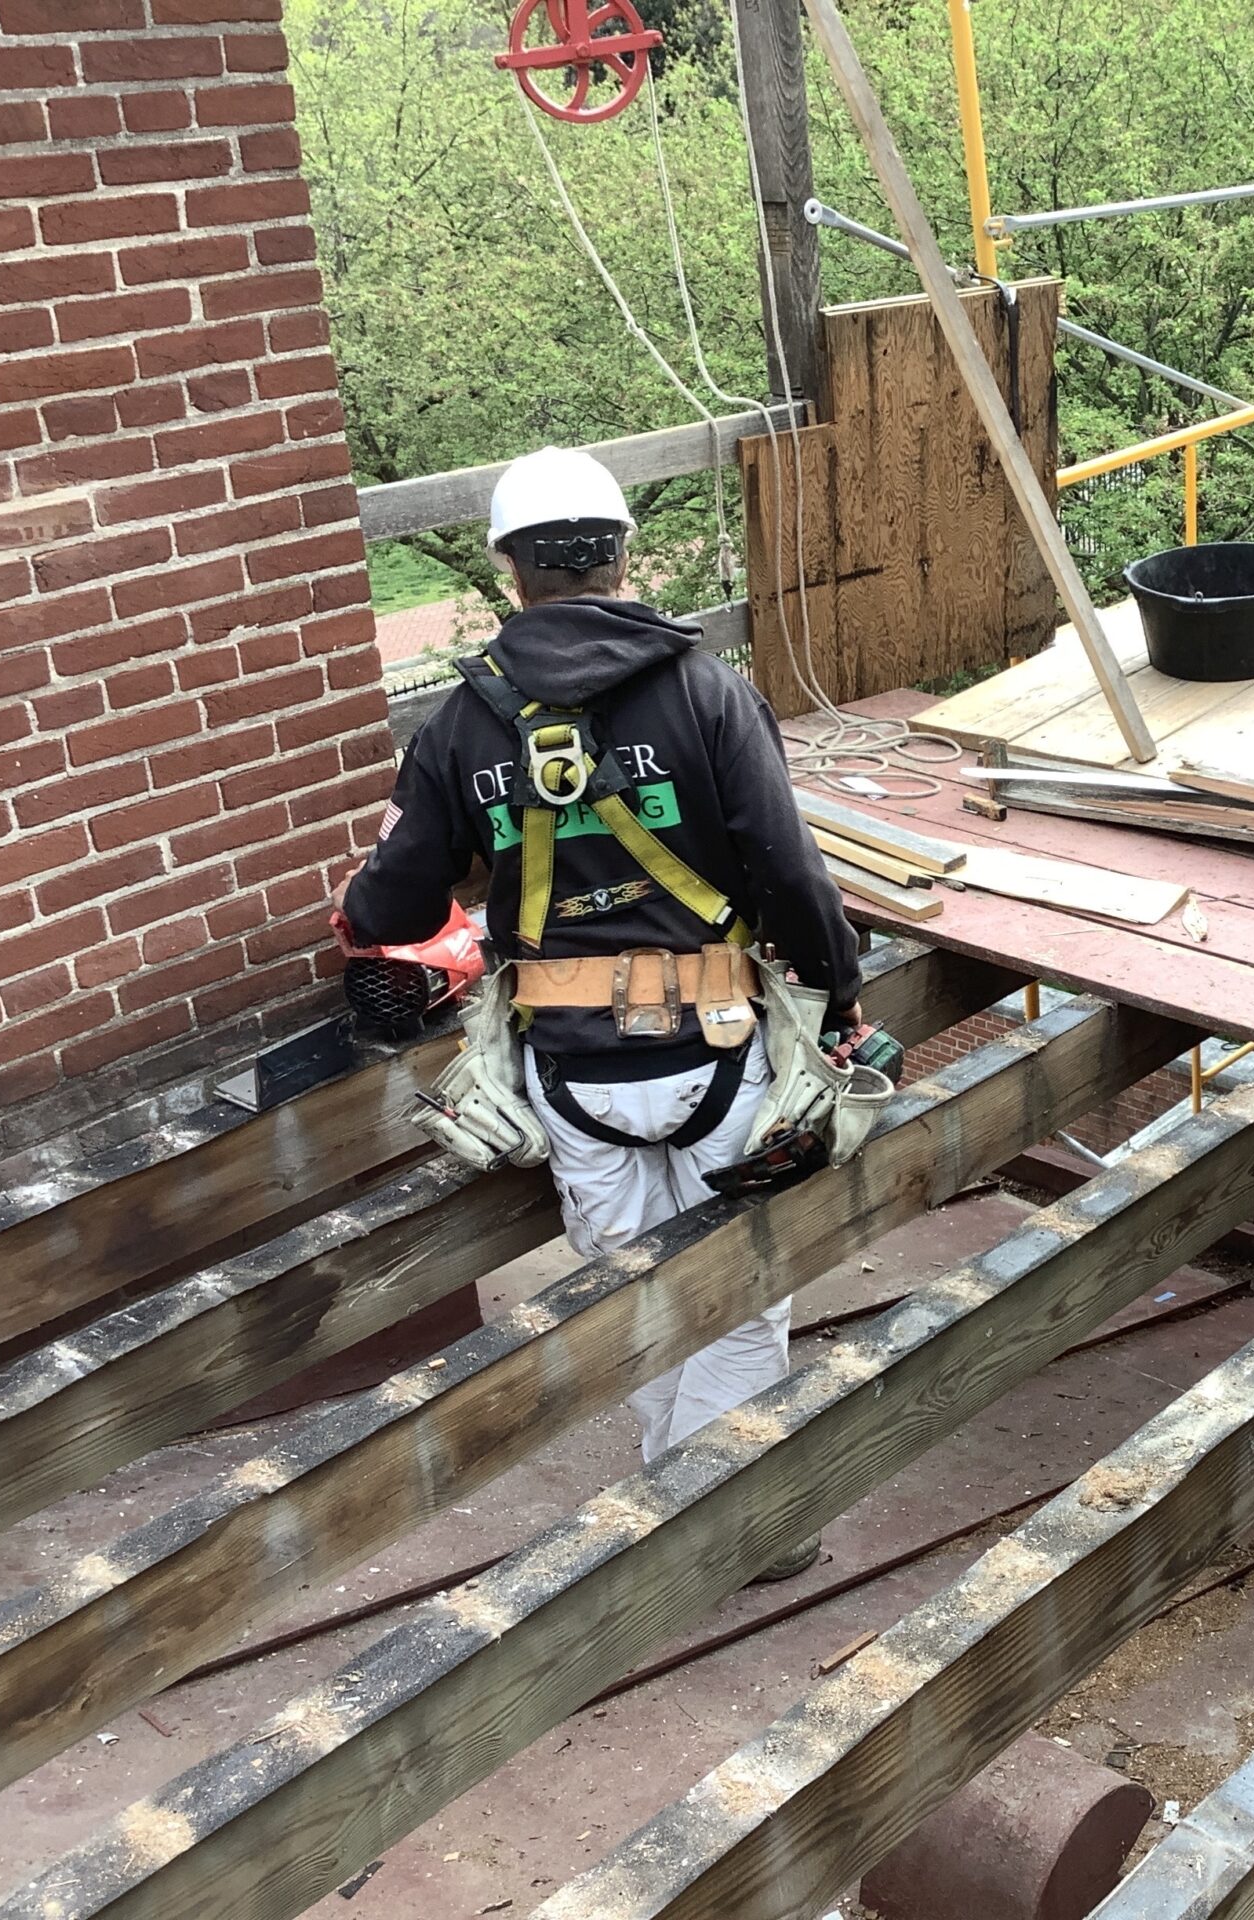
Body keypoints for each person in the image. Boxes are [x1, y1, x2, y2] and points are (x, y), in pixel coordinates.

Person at [339, 446, 870, 1579]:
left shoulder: (461, 724)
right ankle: (733, 1526)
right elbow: (789, 871)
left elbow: (389, 907)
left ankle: (680, 1495)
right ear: (622, 555)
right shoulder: (705, 691)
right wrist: (839, 994)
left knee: (633, 1292)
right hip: (717, 1049)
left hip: (570, 1070)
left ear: (510, 569)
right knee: (738, 1293)